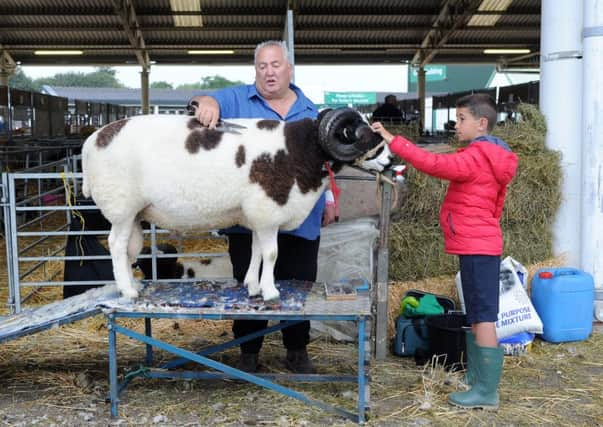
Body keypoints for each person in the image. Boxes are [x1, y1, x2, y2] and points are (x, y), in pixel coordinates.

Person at [189, 40, 336, 374]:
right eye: (262, 66)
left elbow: (323, 163)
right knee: (248, 282)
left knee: (298, 282)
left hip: (300, 215)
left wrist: (327, 199)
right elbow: (201, 99)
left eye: (275, 65)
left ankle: (297, 350)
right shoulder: (237, 99)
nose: (269, 72)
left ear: (289, 68)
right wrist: (208, 103)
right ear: (255, 70)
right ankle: (249, 352)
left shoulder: (310, 111)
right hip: (248, 215)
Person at [372, 93, 518, 410]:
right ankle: (478, 380)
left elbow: (436, 164)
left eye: (462, 118)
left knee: (483, 318)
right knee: (479, 314)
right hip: (478, 244)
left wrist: (393, 141)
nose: (456, 124)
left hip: (478, 246)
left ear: (482, 123)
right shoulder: (490, 154)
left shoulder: (478, 155)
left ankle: (486, 392)